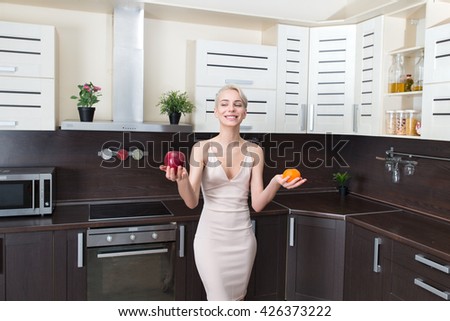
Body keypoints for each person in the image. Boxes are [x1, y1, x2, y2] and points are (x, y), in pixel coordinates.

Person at [160, 84, 307, 300]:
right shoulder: (201, 148)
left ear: (244, 112)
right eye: (224, 104)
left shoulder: (255, 151)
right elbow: (191, 201)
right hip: (210, 239)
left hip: (242, 240)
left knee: (237, 300)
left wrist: (276, 181)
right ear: (216, 111)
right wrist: (181, 180)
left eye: (238, 104)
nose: (231, 109)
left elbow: (257, 203)